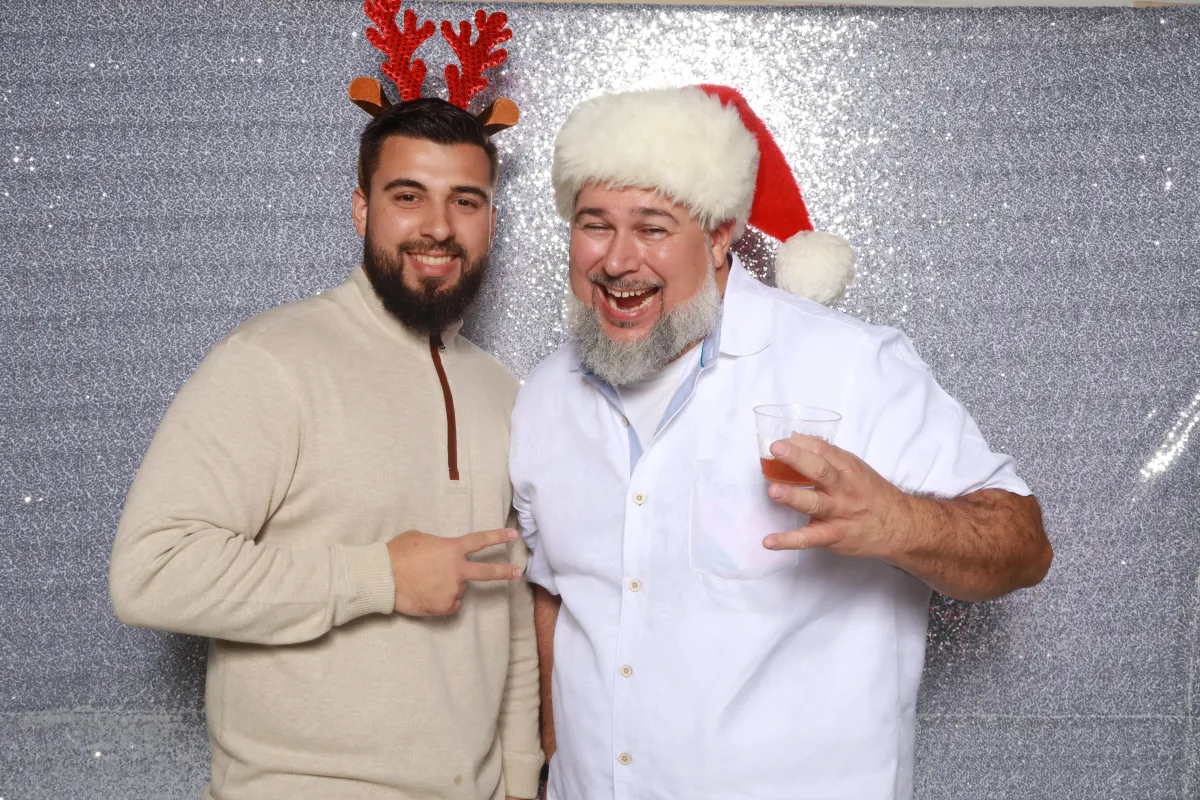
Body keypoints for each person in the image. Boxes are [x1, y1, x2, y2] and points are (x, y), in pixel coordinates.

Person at [510, 85, 1053, 800]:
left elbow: (1024, 546)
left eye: (653, 227)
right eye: (594, 224)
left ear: (720, 234)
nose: (617, 260)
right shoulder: (545, 395)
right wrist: (551, 757)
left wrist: (899, 521)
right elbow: (556, 593)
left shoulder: (851, 368)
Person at [109, 79, 543, 800]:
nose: (438, 225)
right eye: (408, 196)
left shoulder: (503, 392)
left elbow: (508, 606)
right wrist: (379, 578)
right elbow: (151, 574)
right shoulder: (272, 361)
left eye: (465, 201)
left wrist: (521, 782)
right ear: (361, 209)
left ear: (490, 220)